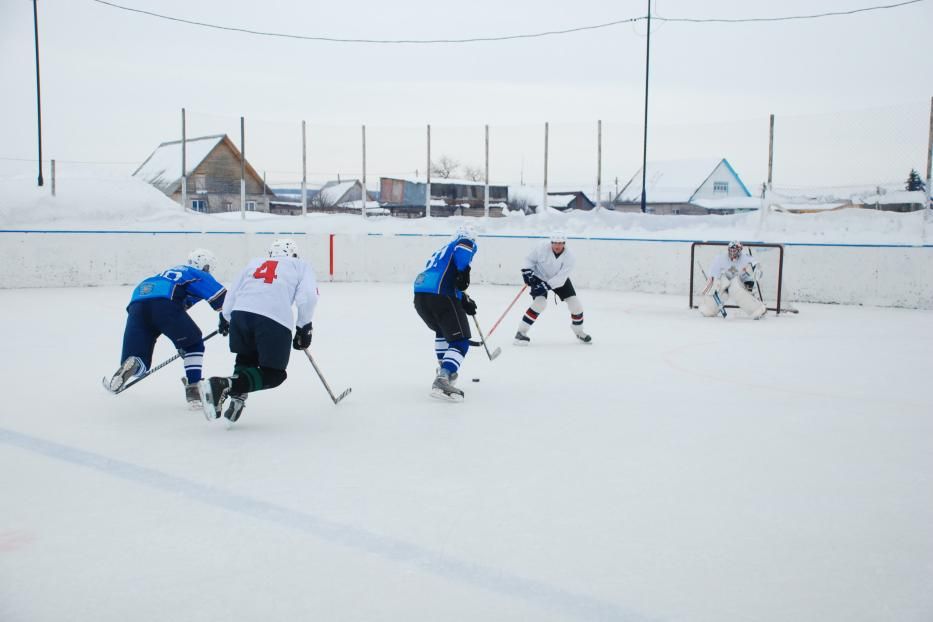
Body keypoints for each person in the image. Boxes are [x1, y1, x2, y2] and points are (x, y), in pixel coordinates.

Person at [199, 238, 318, 423]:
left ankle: (238, 398)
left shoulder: (255, 263)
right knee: (274, 374)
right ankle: (225, 385)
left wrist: (226, 317)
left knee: (246, 358)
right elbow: (308, 296)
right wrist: (304, 326)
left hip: (241, 314)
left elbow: (233, 292)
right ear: (294, 254)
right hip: (273, 318)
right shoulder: (300, 265)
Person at [106, 248, 226, 407]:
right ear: (206, 267)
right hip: (163, 304)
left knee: (140, 363)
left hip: (137, 303)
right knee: (193, 344)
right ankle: (195, 392)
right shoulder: (196, 273)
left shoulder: (167, 274)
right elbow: (224, 300)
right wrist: (231, 320)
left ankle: (133, 365)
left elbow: (180, 305)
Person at [413, 225, 478, 401]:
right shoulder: (464, 242)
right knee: (461, 341)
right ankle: (443, 377)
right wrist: (465, 272)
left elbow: (447, 278)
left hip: (421, 296)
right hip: (440, 296)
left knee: (442, 332)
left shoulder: (442, 250)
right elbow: (462, 255)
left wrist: (463, 299)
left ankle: (444, 370)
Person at [514, 232, 591, 345]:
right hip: (539, 276)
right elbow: (529, 259)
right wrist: (527, 272)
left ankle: (579, 331)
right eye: (555, 243)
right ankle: (521, 332)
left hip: (559, 280)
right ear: (551, 242)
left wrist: (546, 286)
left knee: (576, 305)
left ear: (564, 244)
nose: (557, 246)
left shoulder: (570, 257)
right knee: (540, 304)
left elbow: (561, 278)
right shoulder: (541, 247)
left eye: (560, 243)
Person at [698, 240, 767, 319]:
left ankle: (757, 309)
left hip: (743, 282)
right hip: (729, 278)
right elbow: (714, 272)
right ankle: (709, 308)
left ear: (740, 251)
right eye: (730, 250)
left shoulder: (745, 257)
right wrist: (714, 283)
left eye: (734, 251)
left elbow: (754, 263)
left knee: (735, 289)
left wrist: (757, 268)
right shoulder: (721, 258)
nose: (732, 253)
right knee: (724, 287)